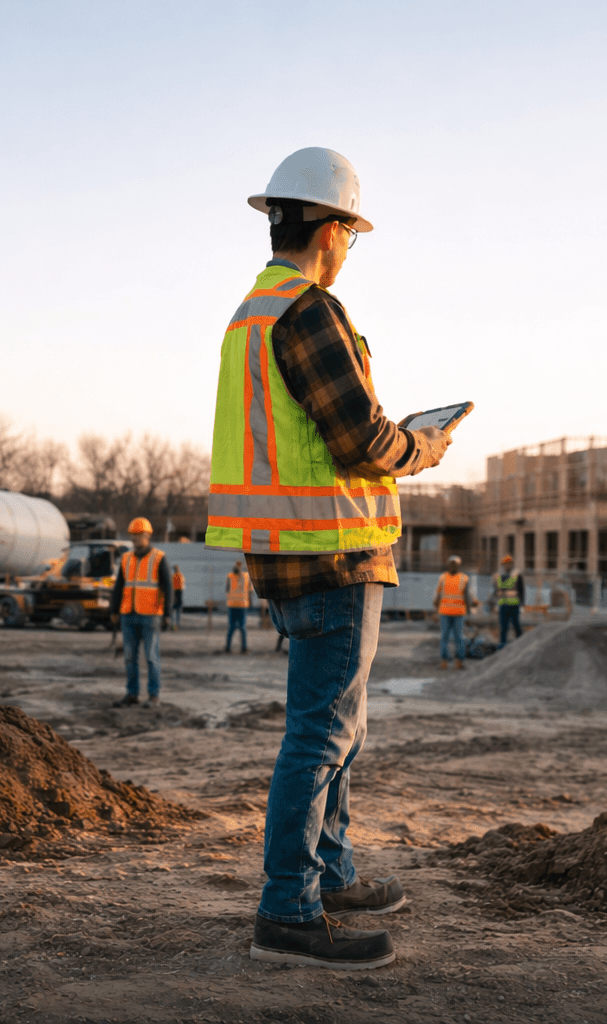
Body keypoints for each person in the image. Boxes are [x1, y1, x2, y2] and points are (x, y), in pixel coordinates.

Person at [205, 147, 450, 970]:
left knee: (336, 731)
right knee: (320, 735)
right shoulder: (309, 311)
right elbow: (361, 440)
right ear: (332, 227)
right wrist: (424, 445)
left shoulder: (253, 311)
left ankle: (331, 872)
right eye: (353, 232)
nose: (350, 250)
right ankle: (288, 910)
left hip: (291, 550)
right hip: (333, 552)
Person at [111, 517, 172, 708]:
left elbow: (168, 587)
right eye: (133, 535)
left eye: (139, 535)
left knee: (151, 657)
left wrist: (168, 614)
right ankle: (132, 694)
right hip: (128, 614)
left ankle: (154, 696)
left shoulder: (159, 557)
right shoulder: (126, 558)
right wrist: (114, 610)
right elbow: (119, 586)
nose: (135, 538)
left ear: (147, 535)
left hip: (150, 615)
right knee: (130, 657)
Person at [433, 556, 474, 669]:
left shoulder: (464, 578)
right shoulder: (443, 578)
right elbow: (437, 597)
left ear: (459, 565)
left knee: (459, 638)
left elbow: (467, 597)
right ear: (448, 565)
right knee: (444, 637)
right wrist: (436, 612)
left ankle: (459, 661)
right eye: (451, 563)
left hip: (459, 613)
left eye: (455, 564)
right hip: (445, 612)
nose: (453, 566)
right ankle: (444, 661)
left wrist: (469, 612)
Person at [492, 554, 523, 648]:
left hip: (514, 606)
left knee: (516, 626)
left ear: (512, 564)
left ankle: (521, 644)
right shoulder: (498, 576)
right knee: (503, 628)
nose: (508, 566)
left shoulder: (516, 574)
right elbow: (495, 591)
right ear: (503, 565)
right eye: (506, 564)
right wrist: (493, 604)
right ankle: (502, 645)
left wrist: (522, 604)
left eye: (509, 564)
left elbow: (521, 590)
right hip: (503, 606)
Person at [225, 561, 253, 653]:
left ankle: (243, 648)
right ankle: (228, 647)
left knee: (241, 628)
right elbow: (227, 589)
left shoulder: (245, 576)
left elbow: (250, 590)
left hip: (241, 605)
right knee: (233, 628)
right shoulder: (230, 576)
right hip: (234, 605)